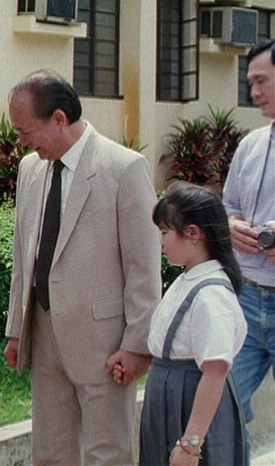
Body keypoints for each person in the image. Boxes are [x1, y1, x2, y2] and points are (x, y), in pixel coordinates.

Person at [2, 69, 162, 464]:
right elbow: (23, 256)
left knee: (107, 453)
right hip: (44, 334)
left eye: (25, 131)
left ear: (58, 119)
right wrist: (16, 331)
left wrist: (137, 345)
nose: (21, 142)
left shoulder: (124, 168)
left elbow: (144, 268)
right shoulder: (30, 170)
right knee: (50, 452)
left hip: (104, 344)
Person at [138, 181, 247, 466]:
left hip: (190, 404)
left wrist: (191, 444)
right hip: (168, 399)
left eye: (165, 232)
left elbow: (215, 371)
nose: (161, 242)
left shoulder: (212, 295)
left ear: (193, 233)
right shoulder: (187, 279)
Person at [224, 39, 275, 435]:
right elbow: (228, 205)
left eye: (261, 81)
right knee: (224, 407)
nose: (254, 92)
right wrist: (231, 225)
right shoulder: (250, 146)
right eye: (250, 83)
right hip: (248, 298)